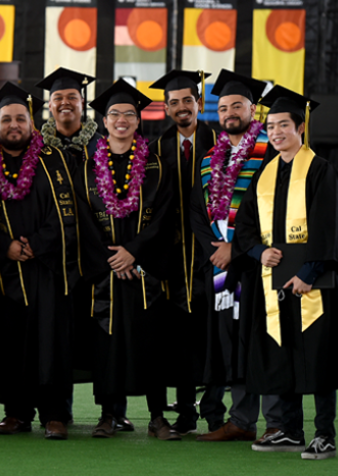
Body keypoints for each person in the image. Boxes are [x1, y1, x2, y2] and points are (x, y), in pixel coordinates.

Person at [233, 86, 338, 459]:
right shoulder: (265, 174)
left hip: (313, 285)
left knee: (317, 357)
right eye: (270, 126)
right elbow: (246, 226)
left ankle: (325, 434)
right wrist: (258, 251)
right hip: (274, 285)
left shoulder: (320, 170)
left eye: (283, 125)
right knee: (281, 355)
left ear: (300, 127)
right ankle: (289, 430)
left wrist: (309, 272)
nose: (276, 132)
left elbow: (328, 228)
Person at [73, 80, 176, 440]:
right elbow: (84, 222)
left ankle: (158, 417)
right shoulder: (87, 169)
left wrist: (135, 252)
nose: (121, 120)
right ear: (103, 121)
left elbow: (165, 219)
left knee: (151, 343)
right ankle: (108, 415)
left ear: (138, 121)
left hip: (146, 272)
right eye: (114, 113)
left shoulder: (157, 168)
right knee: (106, 343)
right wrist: (111, 259)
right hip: (106, 273)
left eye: (129, 114)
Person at [36, 68, 134, 432]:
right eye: (58, 98)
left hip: (102, 257)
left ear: (83, 104)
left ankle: (113, 410)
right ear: (50, 106)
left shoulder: (103, 144)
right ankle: (56, 413)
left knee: (106, 333)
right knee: (56, 335)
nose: (65, 103)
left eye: (72, 98)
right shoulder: (38, 150)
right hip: (56, 260)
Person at [190, 70, 283, 442]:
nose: (230, 112)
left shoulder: (270, 151)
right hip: (221, 266)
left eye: (237, 105)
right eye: (224, 106)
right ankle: (241, 420)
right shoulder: (209, 159)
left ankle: (276, 420)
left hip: (260, 264)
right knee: (233, 342)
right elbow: (198, 211)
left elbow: (277, 210)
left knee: (264, 340)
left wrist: (237, 248)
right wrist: (215, 249)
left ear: (252, 109)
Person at [0, 82, 73, 440]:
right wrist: (6, 247)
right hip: (6, 271)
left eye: (21, 118)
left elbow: (67, 215)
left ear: (32, 123)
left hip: (47, 268)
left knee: (51, 341)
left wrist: (36, 244)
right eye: (6, 119)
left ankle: (55, 414)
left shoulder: (53, 160)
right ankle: (16, 412)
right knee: (12, 342)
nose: (14, 124)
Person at [148, 70, 217, 434]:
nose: (180, 108)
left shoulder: (218, 142)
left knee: (214, 334)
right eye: (173, 103)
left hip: (212, 257)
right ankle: (187, 414)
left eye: (186, 101)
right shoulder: (158, 148)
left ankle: (218, 415)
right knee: (181, 339)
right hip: (173, 259)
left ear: (199, 103)